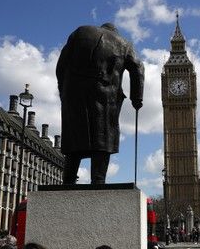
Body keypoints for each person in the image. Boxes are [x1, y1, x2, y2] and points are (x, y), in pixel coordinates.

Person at [56, 23, 145, 185]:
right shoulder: (124, 43)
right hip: (105, 93)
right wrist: (136, 98)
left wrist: (64, 91)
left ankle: (68, 180)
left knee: (74, 137)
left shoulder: (79, 31)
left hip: (73, 92)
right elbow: (138, 67)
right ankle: (98, 180)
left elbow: (60, 66)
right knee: (103, 136)